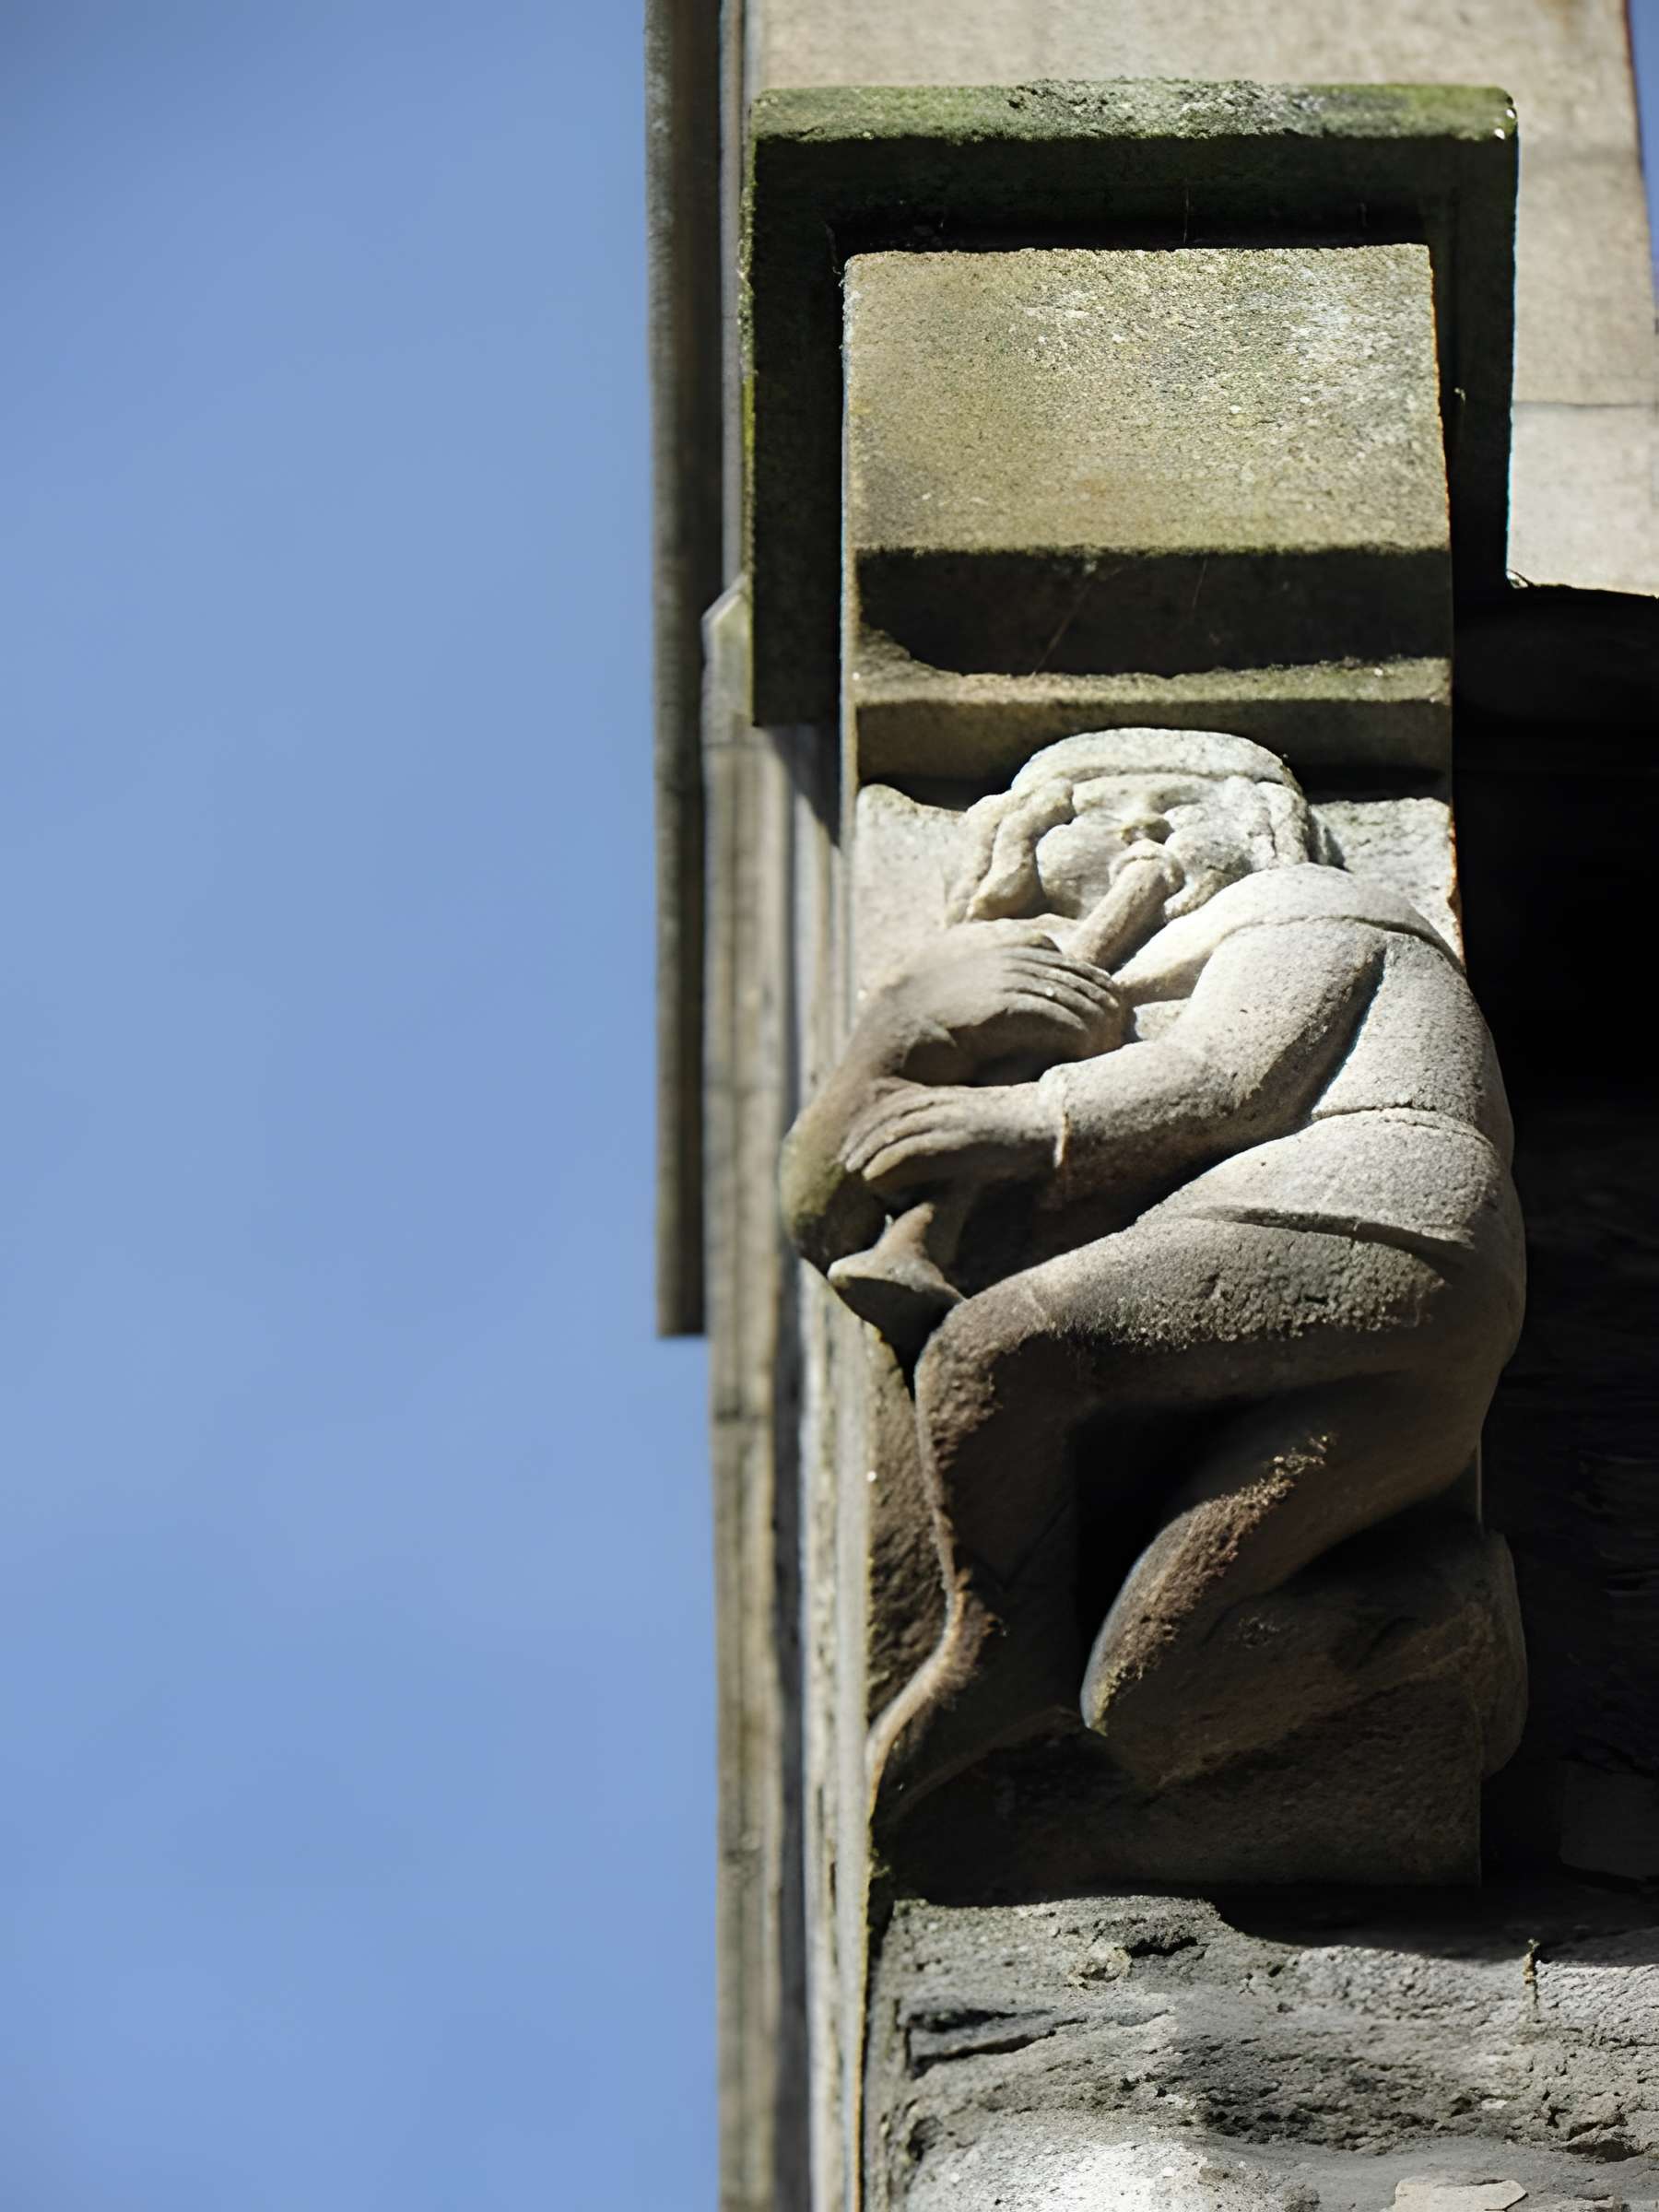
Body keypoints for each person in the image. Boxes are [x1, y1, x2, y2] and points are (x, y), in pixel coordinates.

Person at [781, 729, 1525, 1812]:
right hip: (1407, 1342)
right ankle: (1445, 1625)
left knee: (998, 1352)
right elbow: (825, 1205)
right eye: (1087, 811)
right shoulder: (1063, 968)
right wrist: (904, 1030)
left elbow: (1227, 1079)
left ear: (1269, 827)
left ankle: (1000, 1643)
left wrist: (1007, 1115)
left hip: (1371, 1213)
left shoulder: (1308, 907)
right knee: (1150, 1694)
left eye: (1185, 803)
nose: (1142, 827)